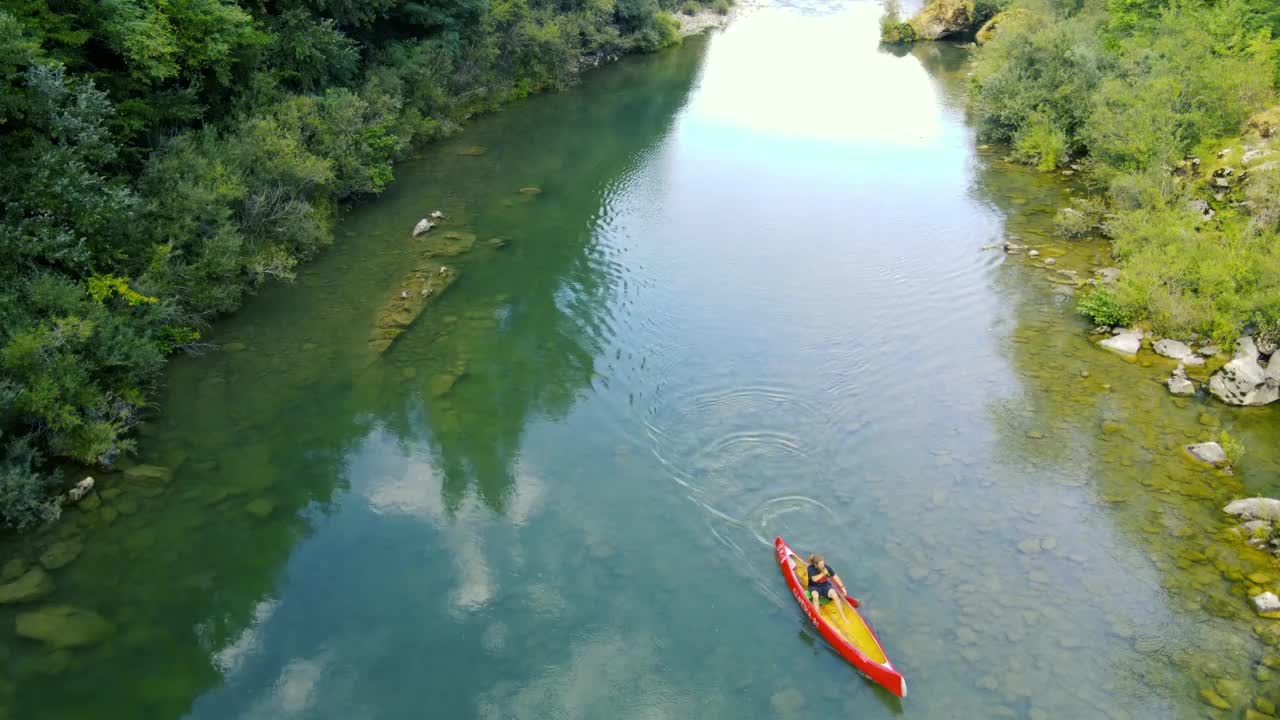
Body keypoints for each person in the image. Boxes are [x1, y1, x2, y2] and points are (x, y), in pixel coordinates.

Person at [807, 554, 849, 622]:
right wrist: (823, 573)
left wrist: (842, 587)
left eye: (823, 563)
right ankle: (818, 616)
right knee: (815, 596)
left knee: (834, 595)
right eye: (821, 565)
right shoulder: (810, 568)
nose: (823, 566)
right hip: (814, 586)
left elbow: (835, 576)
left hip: (824, 585)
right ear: (816, 565)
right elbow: (814, 579)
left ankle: (843, 616)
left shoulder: (827, 567)